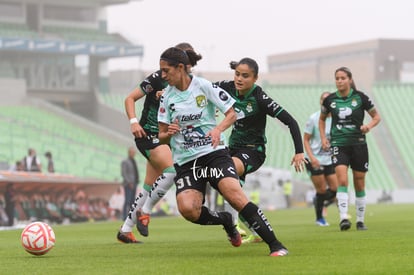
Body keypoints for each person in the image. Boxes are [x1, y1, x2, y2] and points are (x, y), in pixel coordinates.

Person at [158, 46, 289, 256]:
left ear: (180, 68)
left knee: (234, 194)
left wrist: (218, 129)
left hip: (213, 154)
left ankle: (276, 245)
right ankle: (225, 220)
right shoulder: (166, 96)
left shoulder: (203, 86)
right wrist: (169, 132)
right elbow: (161, 135)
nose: (163, 75)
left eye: (166, 70)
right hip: (186, 162)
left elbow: (231, 113)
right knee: (188, 210)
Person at [215, 57, 305, 243]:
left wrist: (299, 151)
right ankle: (257, 233)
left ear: (255, 78)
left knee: (226, 172)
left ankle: (232, 227)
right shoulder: (228, 87)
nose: (239, 79)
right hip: (233, 149)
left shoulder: (260, 98)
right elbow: (200, 89)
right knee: (233, 195)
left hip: (253, 151)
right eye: (237, 74)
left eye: (245, 76)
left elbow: (291, 122)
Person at [117, 43, 196, 243]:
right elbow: (130, 98)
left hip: (166, 139)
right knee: (172, 171)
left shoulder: (190, 85)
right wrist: (134, 122)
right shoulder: (159, 77)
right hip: (148, 135)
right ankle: (145, 211)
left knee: (148, 187)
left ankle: (125, 230)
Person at [319, 67, 381, 231]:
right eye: (337, 78)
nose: (339, 81)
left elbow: (376, 117)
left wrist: (368, 126)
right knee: (342, 180)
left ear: (350, 80)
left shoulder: (360, 98)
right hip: (339, 145)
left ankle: (360, 220)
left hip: (359, 144)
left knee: (359, 183)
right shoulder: (330, 100)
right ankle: (343, 218)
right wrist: (324, 138)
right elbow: (322, 119)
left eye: (343, 78)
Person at [304, 91, 338, 226]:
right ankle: (319, 218)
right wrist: (312, 158)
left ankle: (318, 200)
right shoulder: (314, 118)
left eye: (328, 99)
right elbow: (306, 139)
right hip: (314, 159)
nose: (326, 102)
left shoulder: (336, 118)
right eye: (323, 100)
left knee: (335, 189)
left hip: (329, 159)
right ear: (320, 102)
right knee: (322, 190)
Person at [121, 146, 140, 220]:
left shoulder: (133, 161)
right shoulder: (125, 162)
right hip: (128, 184)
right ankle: (124, 216)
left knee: (132, 201)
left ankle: (132, 216)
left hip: (134, 183)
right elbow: (124, 173)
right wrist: (129, 182)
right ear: (129, 153)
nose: (134, 154)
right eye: (133, 152)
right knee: (127, 200)